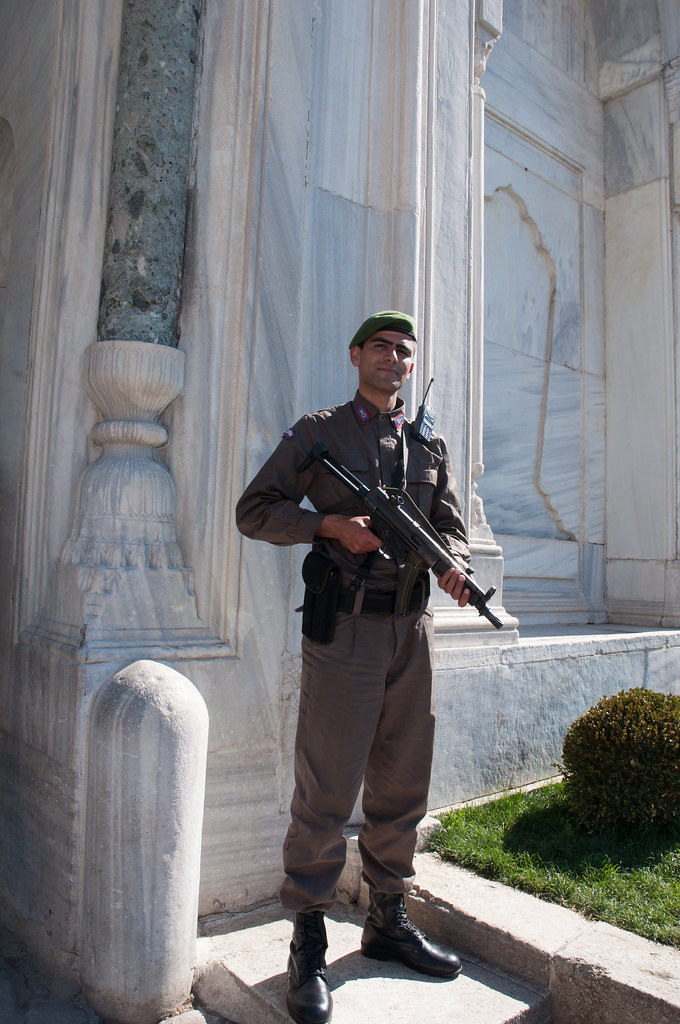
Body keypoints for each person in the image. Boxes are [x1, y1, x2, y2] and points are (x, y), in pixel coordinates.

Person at [235, 311, 471, 1024]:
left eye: (405, 351)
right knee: (328, 784)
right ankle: (308, 934)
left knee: (402, 781)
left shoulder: (428, 441)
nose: (395, 359)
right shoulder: (319, 432)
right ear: (356, 356)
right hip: (345, 630)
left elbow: (451, 523)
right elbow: (255, 510)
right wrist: (328, 525)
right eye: (382, 348)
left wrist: (455, 562)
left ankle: (387, 917)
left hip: (412, 629)